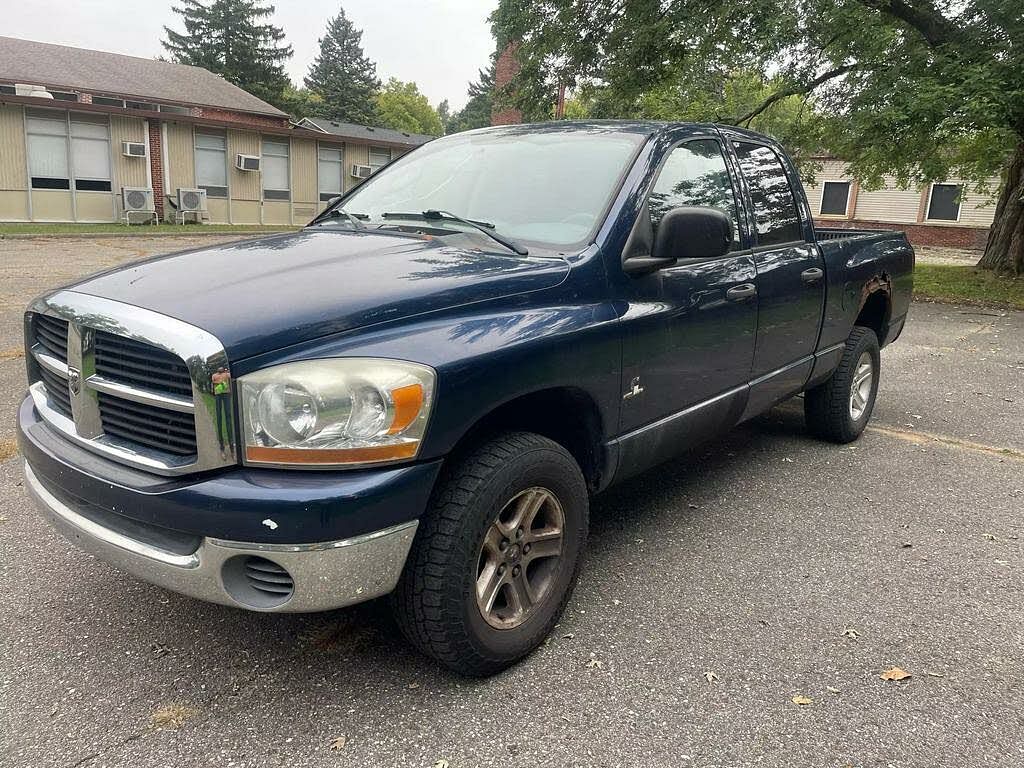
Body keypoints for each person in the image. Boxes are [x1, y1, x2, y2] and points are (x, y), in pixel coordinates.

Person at [212, 367, 232, 450]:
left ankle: (231, 447)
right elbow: (213, 381)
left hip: (226, 394)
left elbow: (230, 377)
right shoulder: (214, 375)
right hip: (218, 395)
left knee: (228, 416)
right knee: (219, 417)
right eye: (218, 367)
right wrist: (222, 382)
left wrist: (219, 382)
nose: (220, 368)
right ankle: (222, 447)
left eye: (221, 367)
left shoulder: (227, 374)